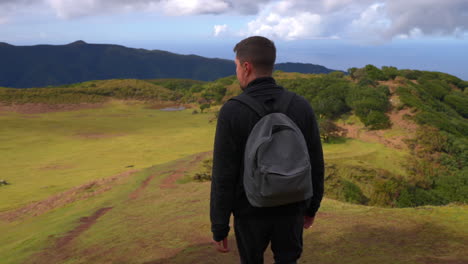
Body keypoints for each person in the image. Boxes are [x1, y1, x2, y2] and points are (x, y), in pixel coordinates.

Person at [210, 36, 324, 264]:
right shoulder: (300, 105)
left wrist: (219, 227)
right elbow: (315, 161)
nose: (237, 73)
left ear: (246, 67)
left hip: (249, 209)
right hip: (292, 204)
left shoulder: (233, 110)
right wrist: (311, 207)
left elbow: (224, 174)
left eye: (236, 67)